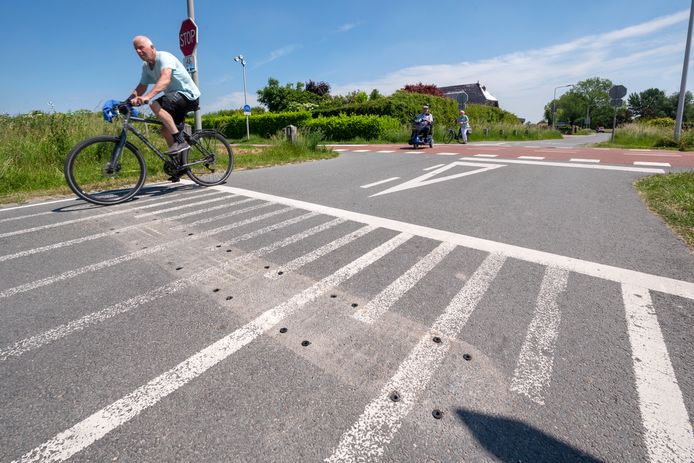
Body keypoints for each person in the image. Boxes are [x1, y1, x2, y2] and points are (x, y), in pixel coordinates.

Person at [129, 35, 200, 155]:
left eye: (141, 47)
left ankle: (180, 140)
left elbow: (165, 79)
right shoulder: (146, 67)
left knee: (155, 104)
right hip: (175, 100)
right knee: (165, 130)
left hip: (188, 96)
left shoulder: (164, 57)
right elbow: (142, 87)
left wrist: (147, 97)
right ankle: (179, 163)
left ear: (152, 47)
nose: (138, 51)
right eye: (136, 49)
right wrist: (127, 102)